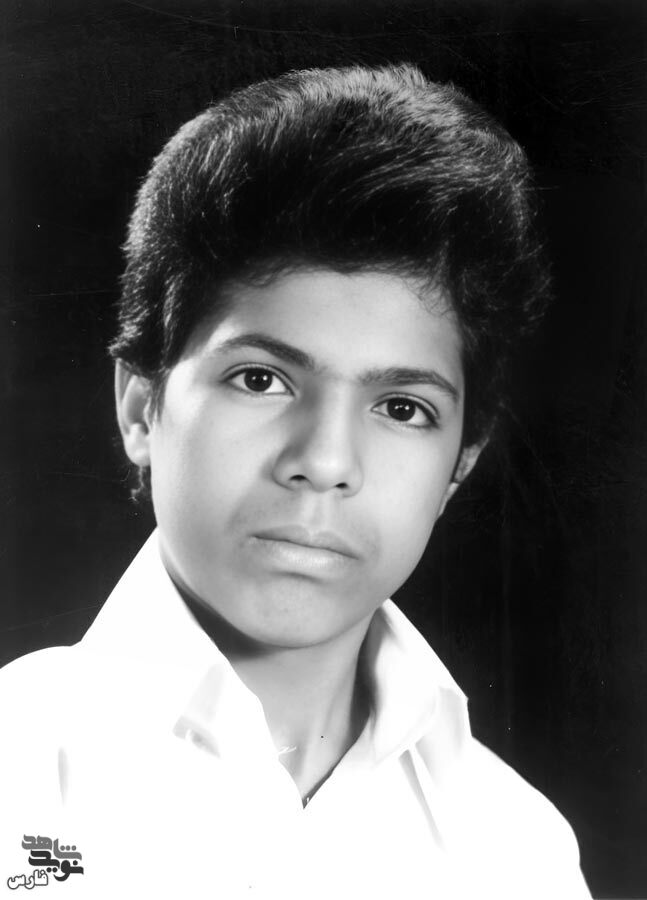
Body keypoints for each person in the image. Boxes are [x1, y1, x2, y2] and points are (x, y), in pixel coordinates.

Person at [0, 64, 591, 898]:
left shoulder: (517, 851)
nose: (326, 461)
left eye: (401, 407)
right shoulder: (17, 768)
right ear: (140, 407)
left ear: (459, 463)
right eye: (261, 379)